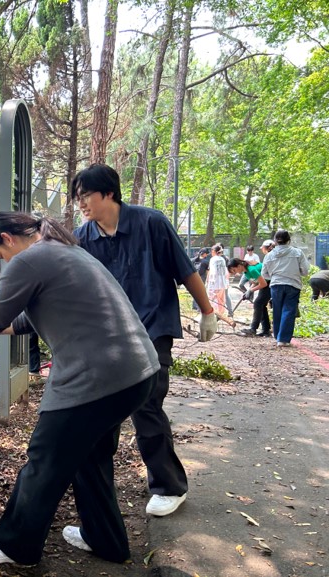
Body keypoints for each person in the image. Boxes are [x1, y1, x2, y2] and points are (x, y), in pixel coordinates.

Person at [0, 212, 159, 565]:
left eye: (1, 257)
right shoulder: (64, 250)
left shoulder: (31, 258)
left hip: (98, 376)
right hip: (135, 372)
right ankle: (106, 539)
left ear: (7, 239)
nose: (6, 263)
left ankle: (14, 545)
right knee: (89, 457)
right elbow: (25, 318)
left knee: (45, 457)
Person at [72, 164, 218, 519]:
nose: (81, 205)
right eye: (77, 199)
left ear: (108, 193)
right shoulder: (83, 238)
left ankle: (169, 486)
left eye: (85, 196)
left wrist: (207, 311)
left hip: (152, 329)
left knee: (146, 405)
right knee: (102, 410)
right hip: (108, 336)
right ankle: (100, 490)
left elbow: (185, 271)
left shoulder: (151, 223)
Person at [257, 230, 309, 347]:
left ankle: (278, 336)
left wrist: (275, 275)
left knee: (277, 310)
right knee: (289, 310)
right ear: (289, 240)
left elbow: (264, 274)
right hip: (293, 285)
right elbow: (305, 271)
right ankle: (283, 339)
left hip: (276, 285)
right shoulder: (298, 253)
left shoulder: (269, 255)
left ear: (275, 241)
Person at [226, 257, 268, 337]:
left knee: (258, 303)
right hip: (265, 283)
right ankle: (266, 330)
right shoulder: (246, 272)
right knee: (261, 305)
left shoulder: (251, 269)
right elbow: (256, 281)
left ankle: (253, 329)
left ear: (239, 266)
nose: (235, 273)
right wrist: (249, 290)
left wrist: (251, 290)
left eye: (234, 270)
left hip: (270, 283)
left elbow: (264, 284)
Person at [206, 244, 230, 321]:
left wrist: (208, 281)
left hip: (214, 282)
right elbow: (225, 272)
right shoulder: (222, 259)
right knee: (221, 299)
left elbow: (212, 271)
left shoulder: (213, 259)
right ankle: (220, 314)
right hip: (222, 283)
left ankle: (214, 314)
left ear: (214, 251)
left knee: (212, 298)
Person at [191, 247, 211, 311]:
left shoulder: (193, 260)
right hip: (202, 278)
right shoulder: (206, 262)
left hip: (193, 278)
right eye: (206, 254)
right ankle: (199, 307)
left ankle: (194, 306)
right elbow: (208, 271)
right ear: (204, 254)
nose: (207, 255)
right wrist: (208, 280)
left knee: (194, 292)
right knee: (200, 293)